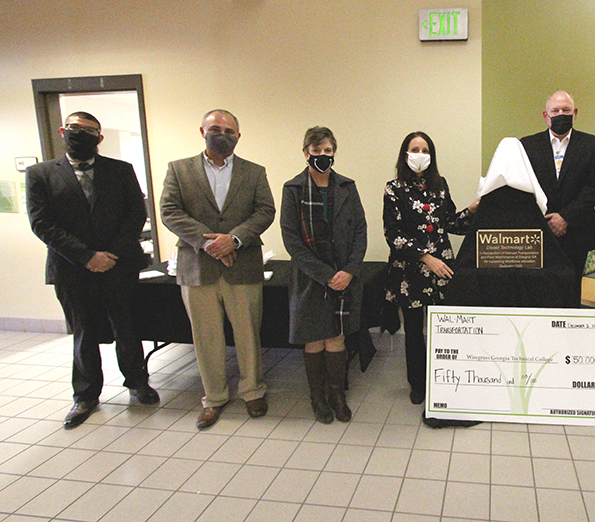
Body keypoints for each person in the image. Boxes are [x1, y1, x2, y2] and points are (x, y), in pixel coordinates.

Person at [26, 111, 159, 429]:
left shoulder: (120, 170)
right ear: (63, 131)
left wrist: (109, 253)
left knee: (127, 327)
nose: (81, 134)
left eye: (89, 131)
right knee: (83, 331)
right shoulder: (41, 174)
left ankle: (138, 383)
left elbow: (134, 215)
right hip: (71, 267)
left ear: (99, 138)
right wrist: (86, 256)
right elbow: (41, 223)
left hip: (118, 263)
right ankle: (85, 395)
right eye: (75, 129)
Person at [160, 109, 275, 430]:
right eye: (215, 128)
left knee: (248, 333)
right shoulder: (179, 170)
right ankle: (214, 398)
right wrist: (208, 242)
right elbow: (169, 211)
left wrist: (234, 239)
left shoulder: (254, 172)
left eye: (228, 130)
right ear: (202, 131)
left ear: (238, 136)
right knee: (206, 336)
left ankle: (252, 391)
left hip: (243, 264)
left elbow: (265, 211)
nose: (221, 134)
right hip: (198, 267)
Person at [383, 132, 478, 404]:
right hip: (410, 271)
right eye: (415, 149)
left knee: (443, 329)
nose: (420, 153)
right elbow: (394, 234)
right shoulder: (393, 189)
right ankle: (418, 384)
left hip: (442, 271)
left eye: (425, 149)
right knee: (413, 330)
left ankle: (443, 378)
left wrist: (472, 210)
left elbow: (451, 223)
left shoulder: (440, 185)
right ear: (405, 154)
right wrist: (426, 257)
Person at [281, 127, 367, 424]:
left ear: (334, 152)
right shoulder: (292, 189)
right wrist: (326, 275)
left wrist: (350, 270)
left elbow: (360, 231)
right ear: (306, 153)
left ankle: (337, 394)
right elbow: (291, 239)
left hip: (344, 275)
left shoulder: (347, 187)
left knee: (337, 338)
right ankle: (317, 397)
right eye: (316, 152)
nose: (321, 157)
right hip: (310, 278)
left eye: (327, 151)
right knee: (314, 339)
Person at [520, 90, 595, 290]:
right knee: (538, 289)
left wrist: (565, 217)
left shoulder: (592, 144)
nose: (561, 114)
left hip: (577, 231)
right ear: (545, 115)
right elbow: (523, 186)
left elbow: (594, 186)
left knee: (571, 289)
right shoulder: (527, 145)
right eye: (555, 110)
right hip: (539, 231)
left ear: (575, 113)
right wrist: (546, 220)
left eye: (566, 110)